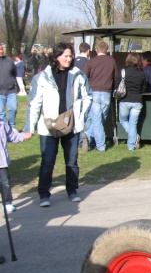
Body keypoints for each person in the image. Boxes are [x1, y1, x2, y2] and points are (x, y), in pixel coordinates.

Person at [28, 42, 92, 207]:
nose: (69, 59)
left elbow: (88, 97)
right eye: (66, 56)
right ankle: (44, 195)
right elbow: (35, 103)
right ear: (56, 57)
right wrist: (29, 127)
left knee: (72, 161)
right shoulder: (42, 77)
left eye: (71, 56)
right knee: (47, 162)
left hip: (71, 124)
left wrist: (80, 114)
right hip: (49, 126)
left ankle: (72, 190)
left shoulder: (78, 75)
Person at [82, 40, 118, 152]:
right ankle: (99, 145)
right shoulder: (111, 61)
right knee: (100, 119)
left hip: (94, 92)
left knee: (97, 120)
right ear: (107, 50)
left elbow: (84, 77)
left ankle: (88, 136)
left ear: (96, 50)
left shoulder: (91, 62)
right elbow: (116, 77)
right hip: (107, 92)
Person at [115, 52, 147, 151]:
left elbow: (117, 85)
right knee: (133, 123)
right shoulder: (142, 73)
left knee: (123, 120)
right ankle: (131, 145)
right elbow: (144, 88)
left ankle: (135, 138)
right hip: (137, 100)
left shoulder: (123, 71)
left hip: (124, 100)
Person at [0, 120, 32, 213]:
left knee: (5, 183)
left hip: (2, 162)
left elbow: (11, 136)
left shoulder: (2, 124)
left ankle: (7, 203)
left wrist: (22, 136)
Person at [0, 44, 18, 129]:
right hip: (0, 92)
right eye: (0, 50)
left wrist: (12, 82)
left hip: (11, 91)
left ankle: (12, 126)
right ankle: (5, 129)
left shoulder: (9, 60)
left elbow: (15, 72)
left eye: (2, 49)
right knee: (1, 112)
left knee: (13, 108)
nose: (1, 51)